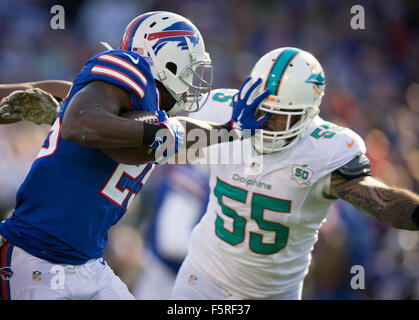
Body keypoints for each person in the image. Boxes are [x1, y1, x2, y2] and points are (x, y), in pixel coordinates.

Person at [169, 47, 419, 300]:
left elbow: (381, 201)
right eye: (262, 109)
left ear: (307, 115)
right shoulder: (224, 113)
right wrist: (225, 131)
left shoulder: (323, 150)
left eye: (280, 116)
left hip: (275, 294)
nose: (266, 122)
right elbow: (165, 150)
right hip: (203, 279)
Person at [0, 11, 214, 300]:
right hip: (36, 258)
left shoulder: (150, 114)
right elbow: (79, 124)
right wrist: (156, 135)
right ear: (165, 58)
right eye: (189, 66)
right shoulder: (131, 68)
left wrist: (235, 129)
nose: (192, 78)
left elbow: (189, 129)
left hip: (89, 265)